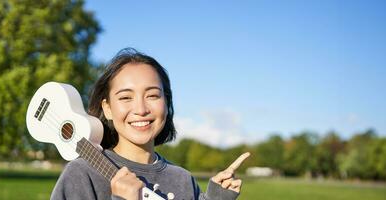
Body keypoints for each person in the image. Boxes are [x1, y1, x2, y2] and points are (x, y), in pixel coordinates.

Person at [50, 48, 250, 200]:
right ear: (108, 108)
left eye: (153, 95)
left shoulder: (182, 179)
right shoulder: (82, 174)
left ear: (166, 102)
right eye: (126, 97)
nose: (141, 109)